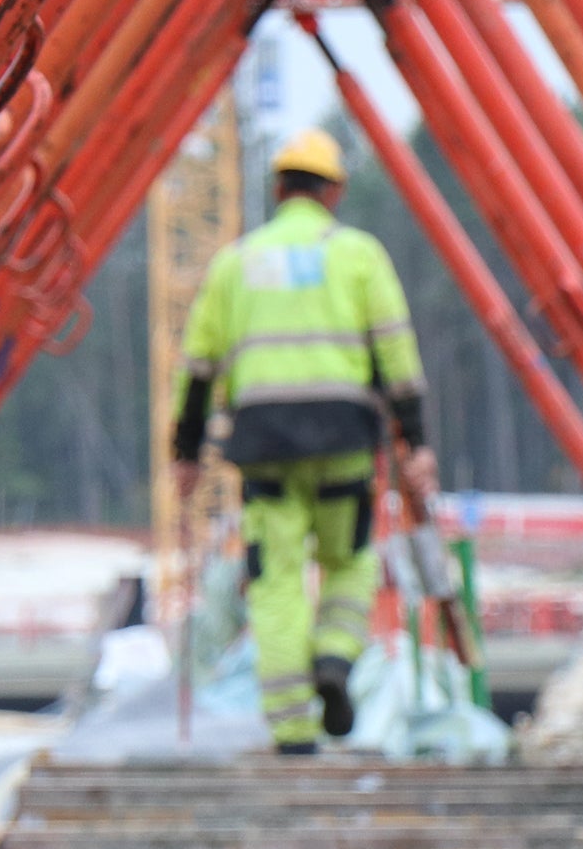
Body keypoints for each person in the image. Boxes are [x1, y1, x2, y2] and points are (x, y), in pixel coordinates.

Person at [173, 127, 432, 755]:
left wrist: (185, 453)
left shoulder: (234, 264)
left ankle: (293, 733)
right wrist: (417, 441)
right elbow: (396, 352)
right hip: (345, 438)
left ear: (278, 188)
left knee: (277, 583)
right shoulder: (359, 256)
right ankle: (336, 661)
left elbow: (199, 367)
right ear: (334, 192)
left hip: (265, 448)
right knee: (350, 562)